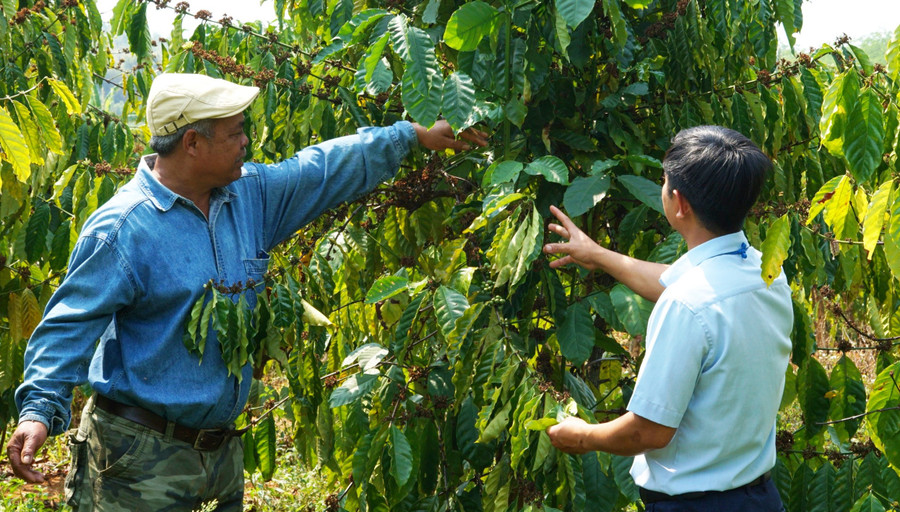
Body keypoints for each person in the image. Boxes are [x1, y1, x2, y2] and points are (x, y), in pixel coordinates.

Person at [6, 73, 488, 510]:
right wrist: (38, 410)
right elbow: (68, 324)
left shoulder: (248, 195)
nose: (246, 142)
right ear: (192, 142)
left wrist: (412, 136)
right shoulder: (124, 230)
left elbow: (321, 168)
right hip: (138, 462)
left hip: (220, 456)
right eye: (235, 132)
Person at [542, 125, 791, 511]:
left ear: (680, 203)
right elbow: (680, 285)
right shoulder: (766, 273)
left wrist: (583, 436)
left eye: (663, 180)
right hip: (760, 497)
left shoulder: (687, 305)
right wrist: (597, 255)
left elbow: (649, 431)